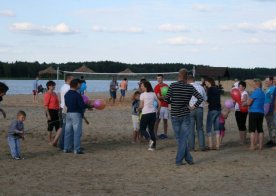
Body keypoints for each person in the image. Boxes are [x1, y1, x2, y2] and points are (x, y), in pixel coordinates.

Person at [165, 68, 203, 166]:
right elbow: (200, 98)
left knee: (179, 138)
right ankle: (189, 159)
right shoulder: (190, 87)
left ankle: (179, 160)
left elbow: (166, 98)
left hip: (175, 114)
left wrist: (172, 103)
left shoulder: (173, 85)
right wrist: (193, 107)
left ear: (179, 76)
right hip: (186, 114)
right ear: (186, 77)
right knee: (182, 138)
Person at [64, 79, 86, 154]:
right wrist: (89, 106)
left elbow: (66, 104)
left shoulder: (66, 94)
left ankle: (66, 148)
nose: (80, 86)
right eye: (79, 84)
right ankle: (77, 149)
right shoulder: (77, 95)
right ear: (76, 85)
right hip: (76, 114)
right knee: (77, 132)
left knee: (68, 131)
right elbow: (82, 105)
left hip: (68, 113)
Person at [187, 75, 207, 151]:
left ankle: (191, 147)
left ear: (188, 80)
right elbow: (205, 98)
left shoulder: (187, 87)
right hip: (199, 109)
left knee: (191, 129)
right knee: (200, 128)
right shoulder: (200, 87)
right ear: (194, 80)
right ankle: (202, 146)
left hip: (190, 109)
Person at [139, 81, 160, 151]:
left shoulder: (142, 95)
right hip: (153, 114)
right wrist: (158, 111)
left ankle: (149, 140)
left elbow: (141, 106)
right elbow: (159, 103)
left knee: (142, 129)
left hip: (146, 114)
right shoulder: (153, 94)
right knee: (151, 130)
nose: (141, 87)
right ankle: (153, 147)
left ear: (145, 87)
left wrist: (138, 109)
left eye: (142, 86)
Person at [245, 79, 265, 150]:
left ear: (256, 84)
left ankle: (252, 146)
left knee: (252, 130)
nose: (252, 85)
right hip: (261, 112)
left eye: (253, 84)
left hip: (254, 112)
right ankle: (260, 146)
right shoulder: (263, 93)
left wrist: (244, 103)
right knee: (260, 129)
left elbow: (249, 103)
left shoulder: (255, 92)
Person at [205, 77, 221, 150]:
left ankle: (210, 145)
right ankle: (217, 145)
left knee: (208, 127)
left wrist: (205, 101)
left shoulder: (210, 90)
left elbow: (209, 100)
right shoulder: (217, 89)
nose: (205, 84)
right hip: (218, 110)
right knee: (217, 127)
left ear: (209, 82)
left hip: (212, 110)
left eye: (206, 82)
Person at [59, 74, 74, 150]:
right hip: (66, 109)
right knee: (66, 128)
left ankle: (62, 144)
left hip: (62, 108)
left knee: (64, 128)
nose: (73, 81)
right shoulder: (68, 88)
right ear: (68, 79)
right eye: (72, 79)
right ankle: (63, 145)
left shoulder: (63, 86)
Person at [154, 74, 169, 139]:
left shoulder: (166, 86)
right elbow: (158, 97)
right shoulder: (156, 87)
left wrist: (164, 97)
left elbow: (169, 96)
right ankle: (155, 134)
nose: (159, 80)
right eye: (157, 78)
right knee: (157, 121)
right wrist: (163, 97)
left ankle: (165, 134)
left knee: (165, 121)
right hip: (160, 106)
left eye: (160, 78)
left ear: (163, 78)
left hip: (166, 106)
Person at [263, 76, 276, 147]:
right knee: (269, 125)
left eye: (267, 81)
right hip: (267, 110)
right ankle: (272, 140)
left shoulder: (274, 88)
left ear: (271, 81)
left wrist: (274, 110)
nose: (266, 82)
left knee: (273, 126)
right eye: (265, 81)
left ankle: (274, 141)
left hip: (271, 110)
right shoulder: (268, 89)